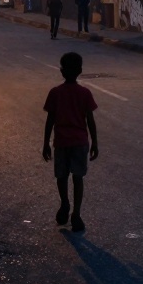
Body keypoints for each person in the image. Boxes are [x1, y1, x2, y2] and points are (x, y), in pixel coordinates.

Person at [43, 52, 98, 233]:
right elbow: (90, 121)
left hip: (61, 142)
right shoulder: (85, 93)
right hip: (80, 142)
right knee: (78, 177)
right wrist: (95, 142)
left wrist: (45, 143)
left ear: (61, 71)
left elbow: (50, 120)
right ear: (80, 71)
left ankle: (65, 203)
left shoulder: (55, 93)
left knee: (61, 176)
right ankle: (76, 213)